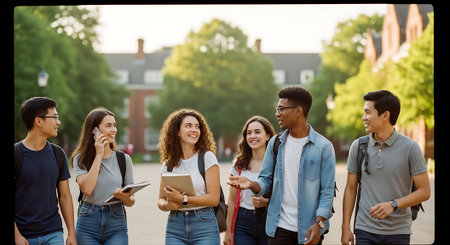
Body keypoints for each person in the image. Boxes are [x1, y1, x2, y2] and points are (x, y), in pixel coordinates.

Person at [228, 86, 336, 245]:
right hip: (279, 228)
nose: (277, 114)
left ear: (298, 111)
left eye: (281, 109)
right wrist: (252, 184)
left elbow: (326, 191)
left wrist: (319, 223)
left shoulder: (323, 147)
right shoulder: (276, 143)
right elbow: (266, 180)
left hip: (309, 228)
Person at [341, 90, 431, 245]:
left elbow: (424, 191)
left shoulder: (410, 148)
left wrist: (393, 204)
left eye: (368, 112)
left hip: (398, 232)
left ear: (385, 115)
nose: (364, 118)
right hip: (365, 230)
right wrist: (345, 228)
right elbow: (350, 188)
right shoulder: (359, 146)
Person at [14, 97, 76, 245]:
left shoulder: (58, 154)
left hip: (53, 232)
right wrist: (16, 235)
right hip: (23, 235)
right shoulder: (16, 154)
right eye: (54, 117)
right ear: (38, 121)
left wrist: (71, 233)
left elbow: (65, 196)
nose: (58, 122)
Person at [71, 107, 135, 244]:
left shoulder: (124, 160)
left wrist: (125, 197)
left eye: (114, 125)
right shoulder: (80, 159)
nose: (114, 130)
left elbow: (131, 201)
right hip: (88, 222)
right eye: (108, 126)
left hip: (116, 222)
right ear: (94, 131)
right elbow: (87, 189)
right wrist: (99, 155)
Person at [157, 108, 221, 245]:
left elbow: (214, 199)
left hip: (204, 225)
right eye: (188, 126)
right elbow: (160, 200)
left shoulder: (207, 158)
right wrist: (167, 205)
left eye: (197, 127)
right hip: (175, 226)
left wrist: (183, 199)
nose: (194, 130)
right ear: (177, 132)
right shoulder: (168, 164)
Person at [224, 116, 275, 245]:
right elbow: (231, 200)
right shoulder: (239, 163)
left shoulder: (277, 163)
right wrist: (228, 231)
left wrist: (267, 202)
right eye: (249, 133)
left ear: (268, 135)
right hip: (243, 222)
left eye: (257, 132)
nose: (252, 136)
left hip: (269, 220)